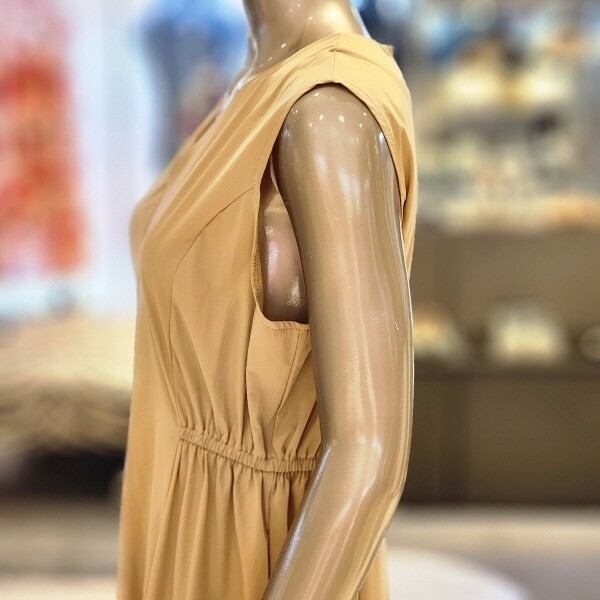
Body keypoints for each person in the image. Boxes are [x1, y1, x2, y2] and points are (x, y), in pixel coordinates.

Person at [117, 1, 418, 598]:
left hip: (259, 556)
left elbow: (369, 453)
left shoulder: (328, 112)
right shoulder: (256, 74)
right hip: (185, 520)